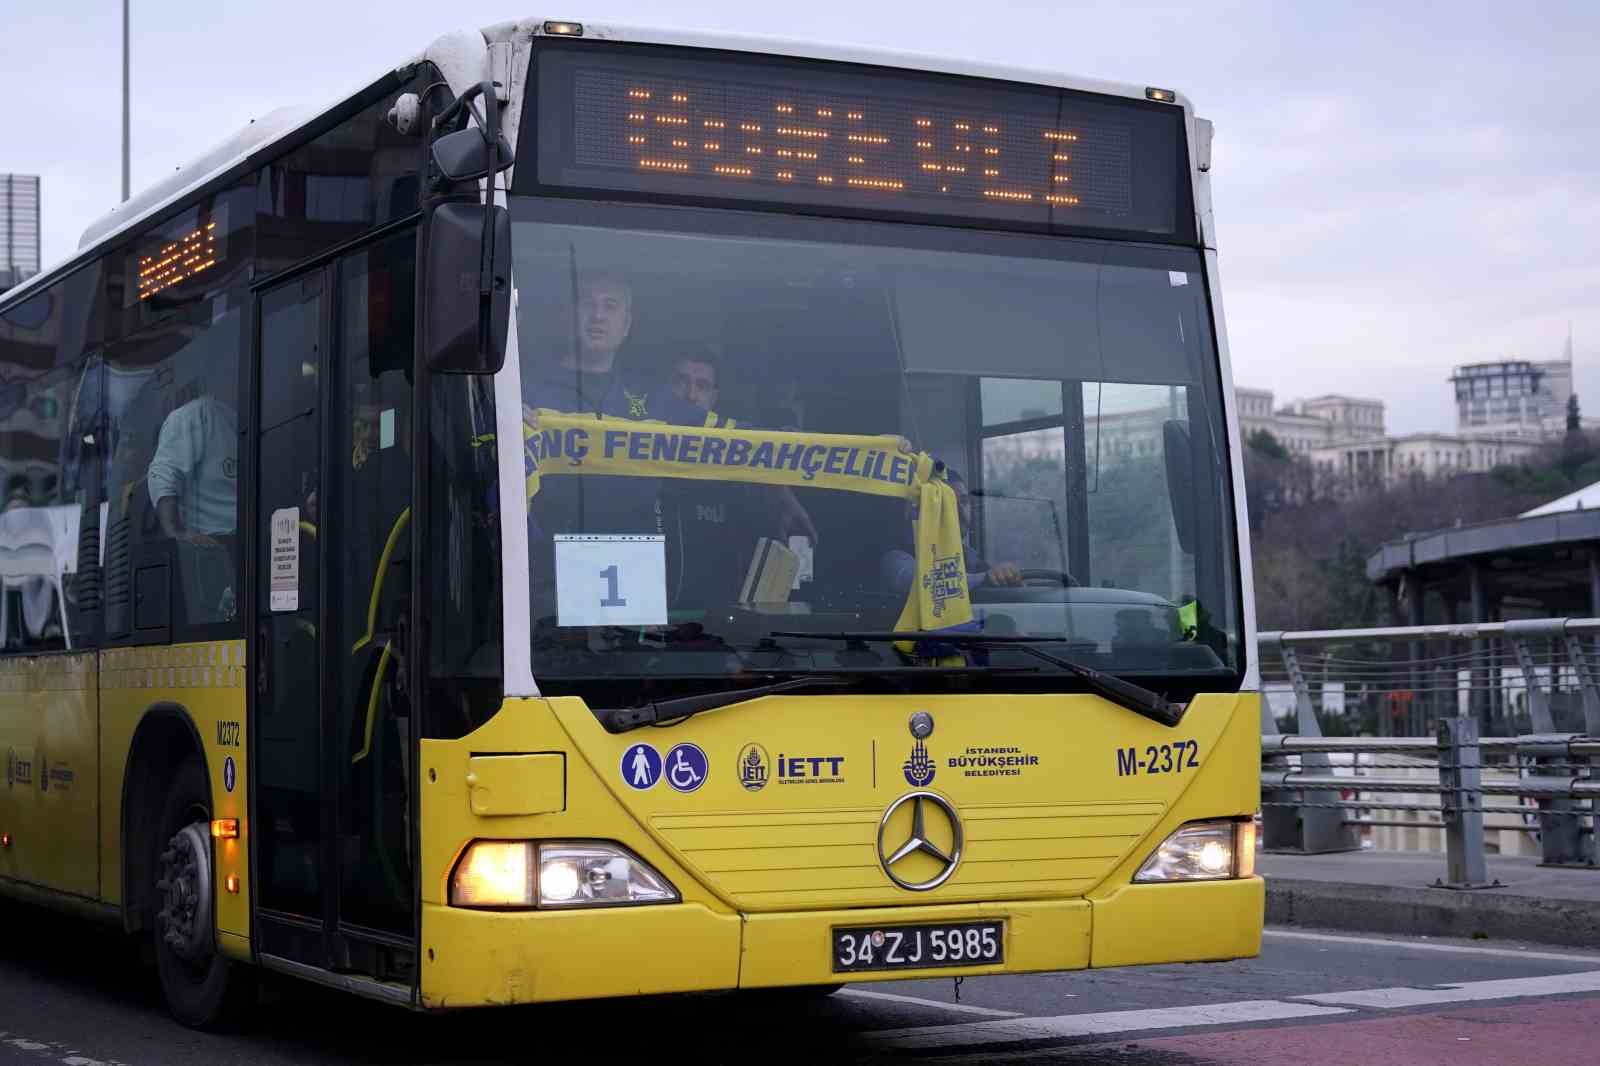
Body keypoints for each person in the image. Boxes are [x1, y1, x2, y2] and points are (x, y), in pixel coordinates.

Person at [147, 391, 239, 623]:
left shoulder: (250, 414)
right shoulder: (196, 415)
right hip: (212, 551)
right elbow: (164, 475)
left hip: (251, 545)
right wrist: (176, 533)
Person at [879, 468, 1021, 597]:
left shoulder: (968, 555)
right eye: (948, 502)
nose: (960, 511)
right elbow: (922, 584)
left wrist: (1006, 576)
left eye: (964, 501)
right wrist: (986, 578)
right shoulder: (897, 558)